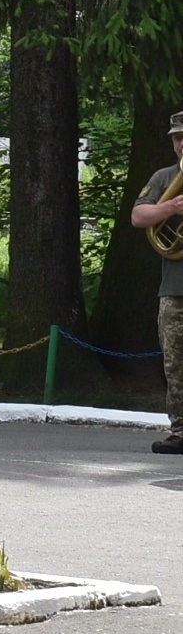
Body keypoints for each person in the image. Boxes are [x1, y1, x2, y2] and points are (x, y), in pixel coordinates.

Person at [130, 109, 183, 456]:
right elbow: (138, 216)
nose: (182, 144)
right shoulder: (165, 177)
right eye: (178, 138)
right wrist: (171, 208)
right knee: (176, 365)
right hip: (175, 290)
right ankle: (180, 432)